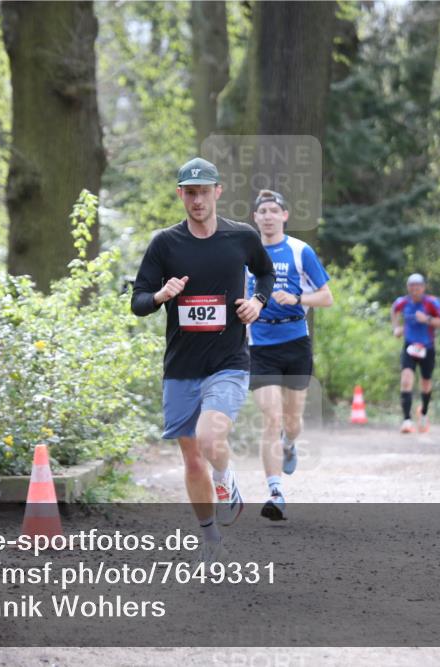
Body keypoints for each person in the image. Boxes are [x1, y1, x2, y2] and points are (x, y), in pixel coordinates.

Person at [131, 157, 275, 563]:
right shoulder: (165, 243)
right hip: (180, 367)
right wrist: (161, 296)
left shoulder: (241, 237)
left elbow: (265, 275)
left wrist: (258, 303)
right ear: (180, 195)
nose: (197, 200)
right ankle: (210, 539)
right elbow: (138, 302)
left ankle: (225, 478)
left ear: (218, 191)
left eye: (204, 192)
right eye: (190, 193)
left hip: (228, 361)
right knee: (192, 458)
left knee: (211, 439)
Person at [246, 189, 333, 521]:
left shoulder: (300, 251)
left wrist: (297, 300)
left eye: (273, 210)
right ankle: (275, 491)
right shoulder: (245, 252)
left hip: (295, 341)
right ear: (255, 218)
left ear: (285, 215)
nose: (267, 216)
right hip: (260, 345)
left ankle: (290, 444)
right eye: (262, 211)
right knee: (271, 417)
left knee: (292, 422)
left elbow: (326, 297)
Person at [390, 273, 440, 434]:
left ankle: (423, 414)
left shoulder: (432, 303)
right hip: (409, 346)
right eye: (411, 287)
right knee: (406, 380)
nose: (415, 290)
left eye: (418, 287)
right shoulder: (402, 302)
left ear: (423, 288)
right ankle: (406, 421)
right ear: (408, 288)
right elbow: (394, 310)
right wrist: (396, 328)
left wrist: (428, 320)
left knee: (425, 384)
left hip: (427, 347)